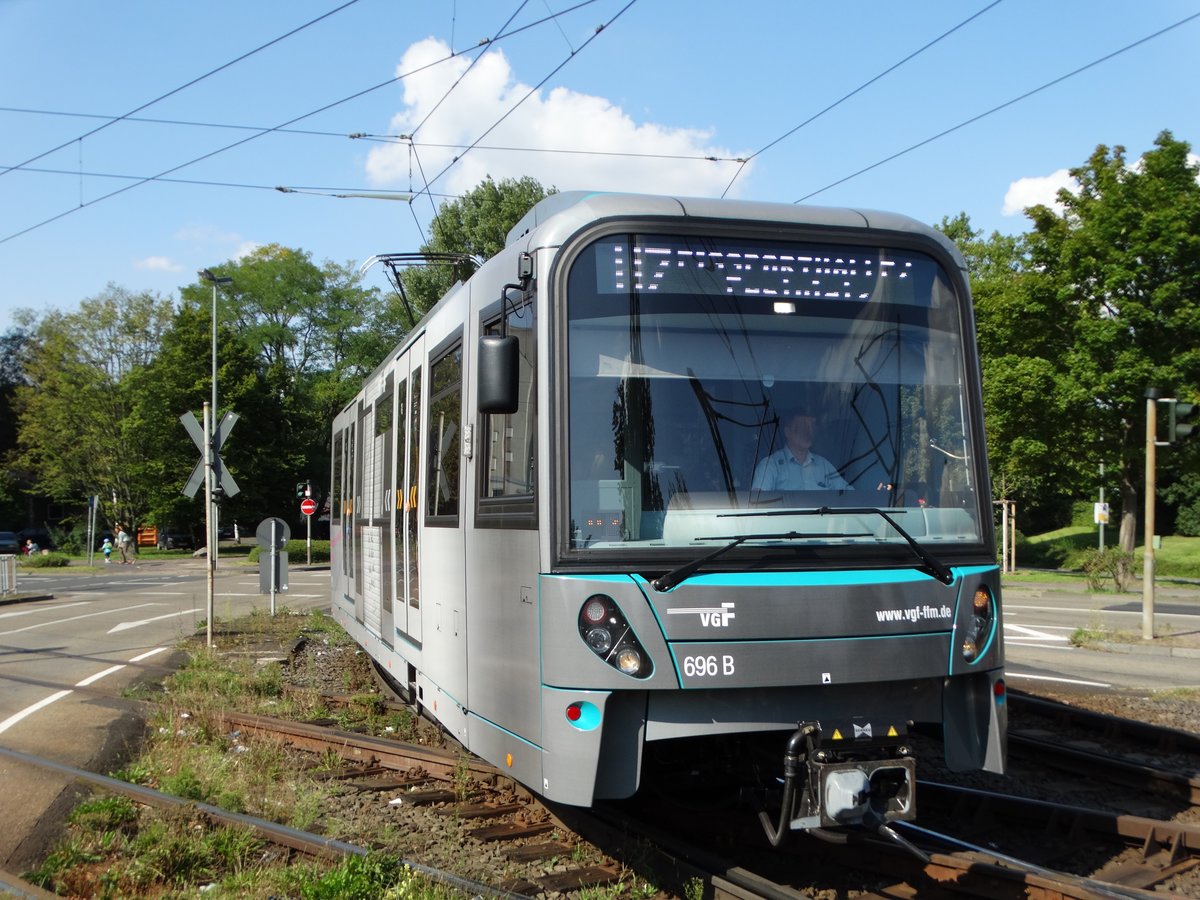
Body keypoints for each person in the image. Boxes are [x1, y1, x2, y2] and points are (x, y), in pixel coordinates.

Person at [751, 408, 850, 492]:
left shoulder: (823, 465)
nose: (808, 432)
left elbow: (848, 495)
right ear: (787, 432)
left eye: (811, 427)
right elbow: (758, 503)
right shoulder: (770, 465)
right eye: (801, 427)